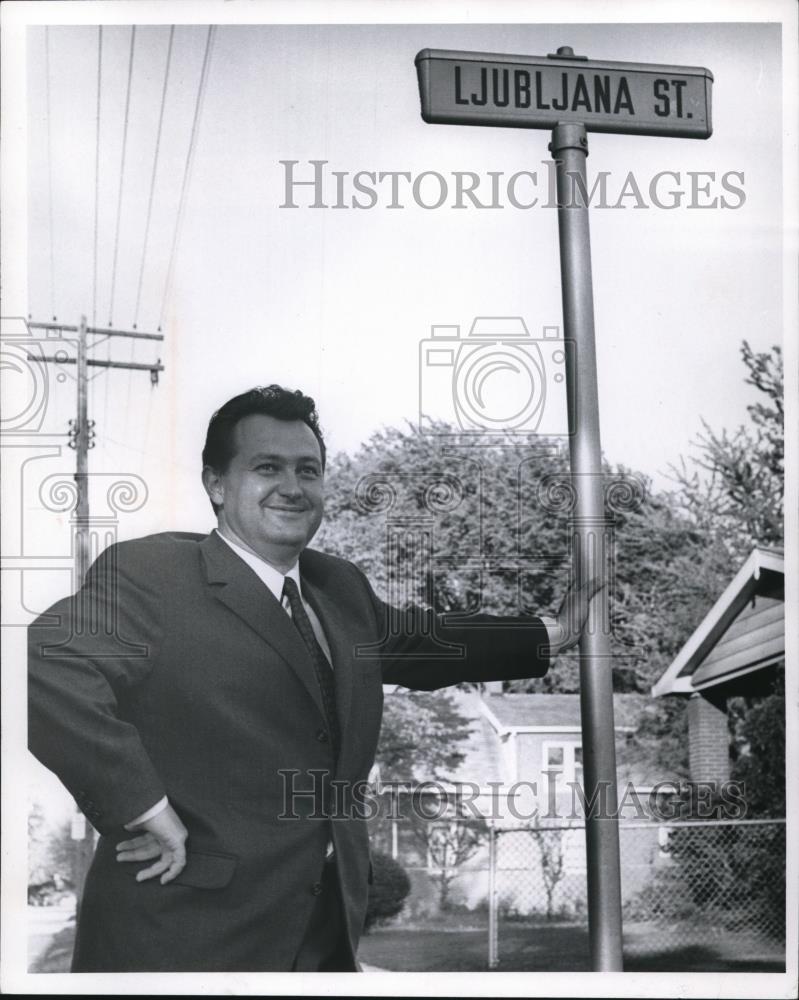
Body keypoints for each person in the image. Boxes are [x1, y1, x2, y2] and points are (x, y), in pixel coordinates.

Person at [28, 385, 602, 973]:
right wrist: (141, 805)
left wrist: (551, 632)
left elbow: (424, 641)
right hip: (183, 935)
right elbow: (45, 665)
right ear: (216, 485)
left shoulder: (338, 588)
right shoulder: (154, 575)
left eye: (309, 470)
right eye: (266, 468)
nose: (293, 487)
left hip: (324, 934)